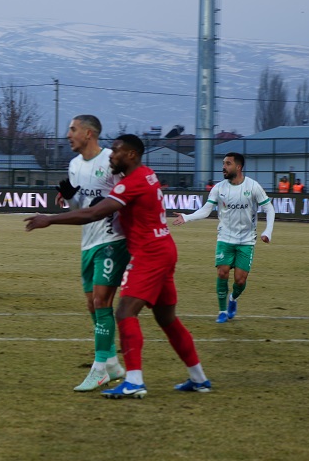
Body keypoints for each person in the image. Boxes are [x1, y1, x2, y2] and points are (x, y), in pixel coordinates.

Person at [24, 135, 210, 398]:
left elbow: (93, 214)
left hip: (150, 255)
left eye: (117, 152)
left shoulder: (131, 182)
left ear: (131, 155)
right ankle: (199, 378)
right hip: (164, 248)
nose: (111, 156)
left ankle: (134, 382)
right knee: (167, 319)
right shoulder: (147, 174)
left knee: (124, 313)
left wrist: (50, 220)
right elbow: (103, 203)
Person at [55, 114, 129, 391]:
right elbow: (77, 211)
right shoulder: (74, 164)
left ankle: (99, 368)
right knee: (93, 304)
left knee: (101, 301)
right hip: (88, 241)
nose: (68, 134)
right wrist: (69, 198)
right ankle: (111, 362)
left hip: (113, 239)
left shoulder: (112, 159)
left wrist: (110, 203)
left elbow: (129, 194)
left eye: (72, 129)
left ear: (88, 133)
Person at [172, 151, 274, 323]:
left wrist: (267, 231)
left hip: (246, 241)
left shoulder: (253, 186)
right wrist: (187, 217)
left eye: (228, 164)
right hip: (225, 238)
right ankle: (222, 311)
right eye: (223, 164)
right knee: (222, 272)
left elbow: (269, 208)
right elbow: (206, 210)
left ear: (238, 167)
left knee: (240, 281)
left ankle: (233, 299)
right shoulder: (219, 188)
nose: (223, 167)